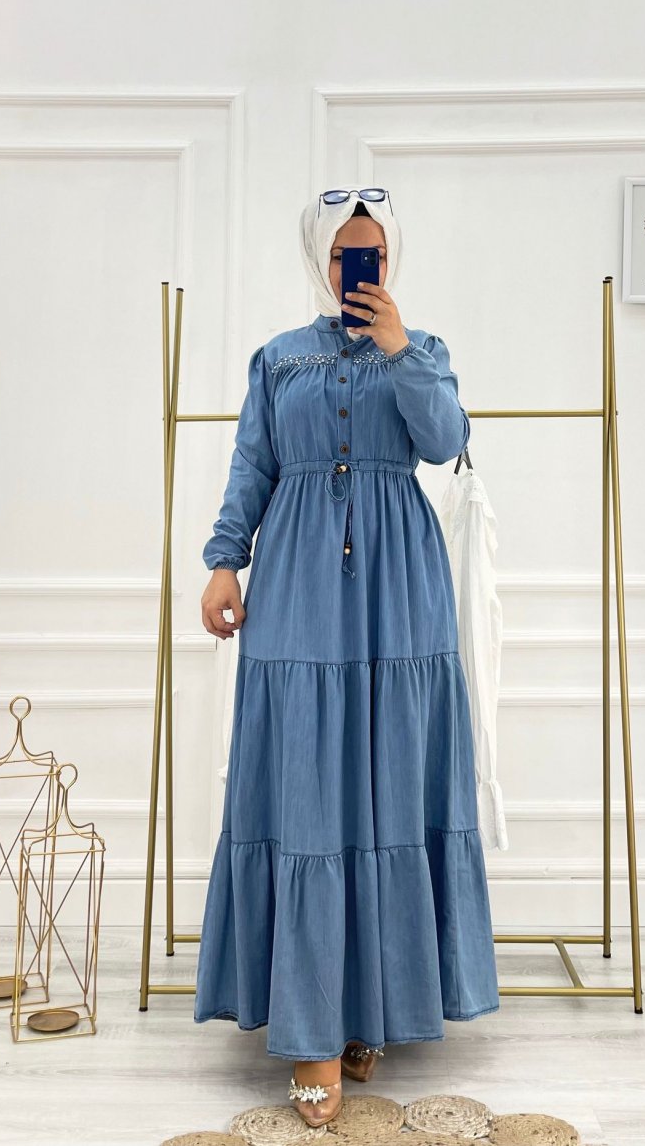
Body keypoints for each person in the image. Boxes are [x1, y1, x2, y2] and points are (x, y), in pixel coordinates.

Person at [194, 188, 499, 1126]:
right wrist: (222, 562)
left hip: (398, 590)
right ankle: (314, 1032)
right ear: (318, 261)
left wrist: (399, 347)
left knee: (389, 779)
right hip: (295, 583)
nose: (354, 270)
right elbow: (253, 464)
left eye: (370, 254)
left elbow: (445, 443)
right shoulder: (278, 357)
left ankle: (364, 1003)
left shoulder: (425, 349)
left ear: (390, 260)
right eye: (340, 255)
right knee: (308, 786)